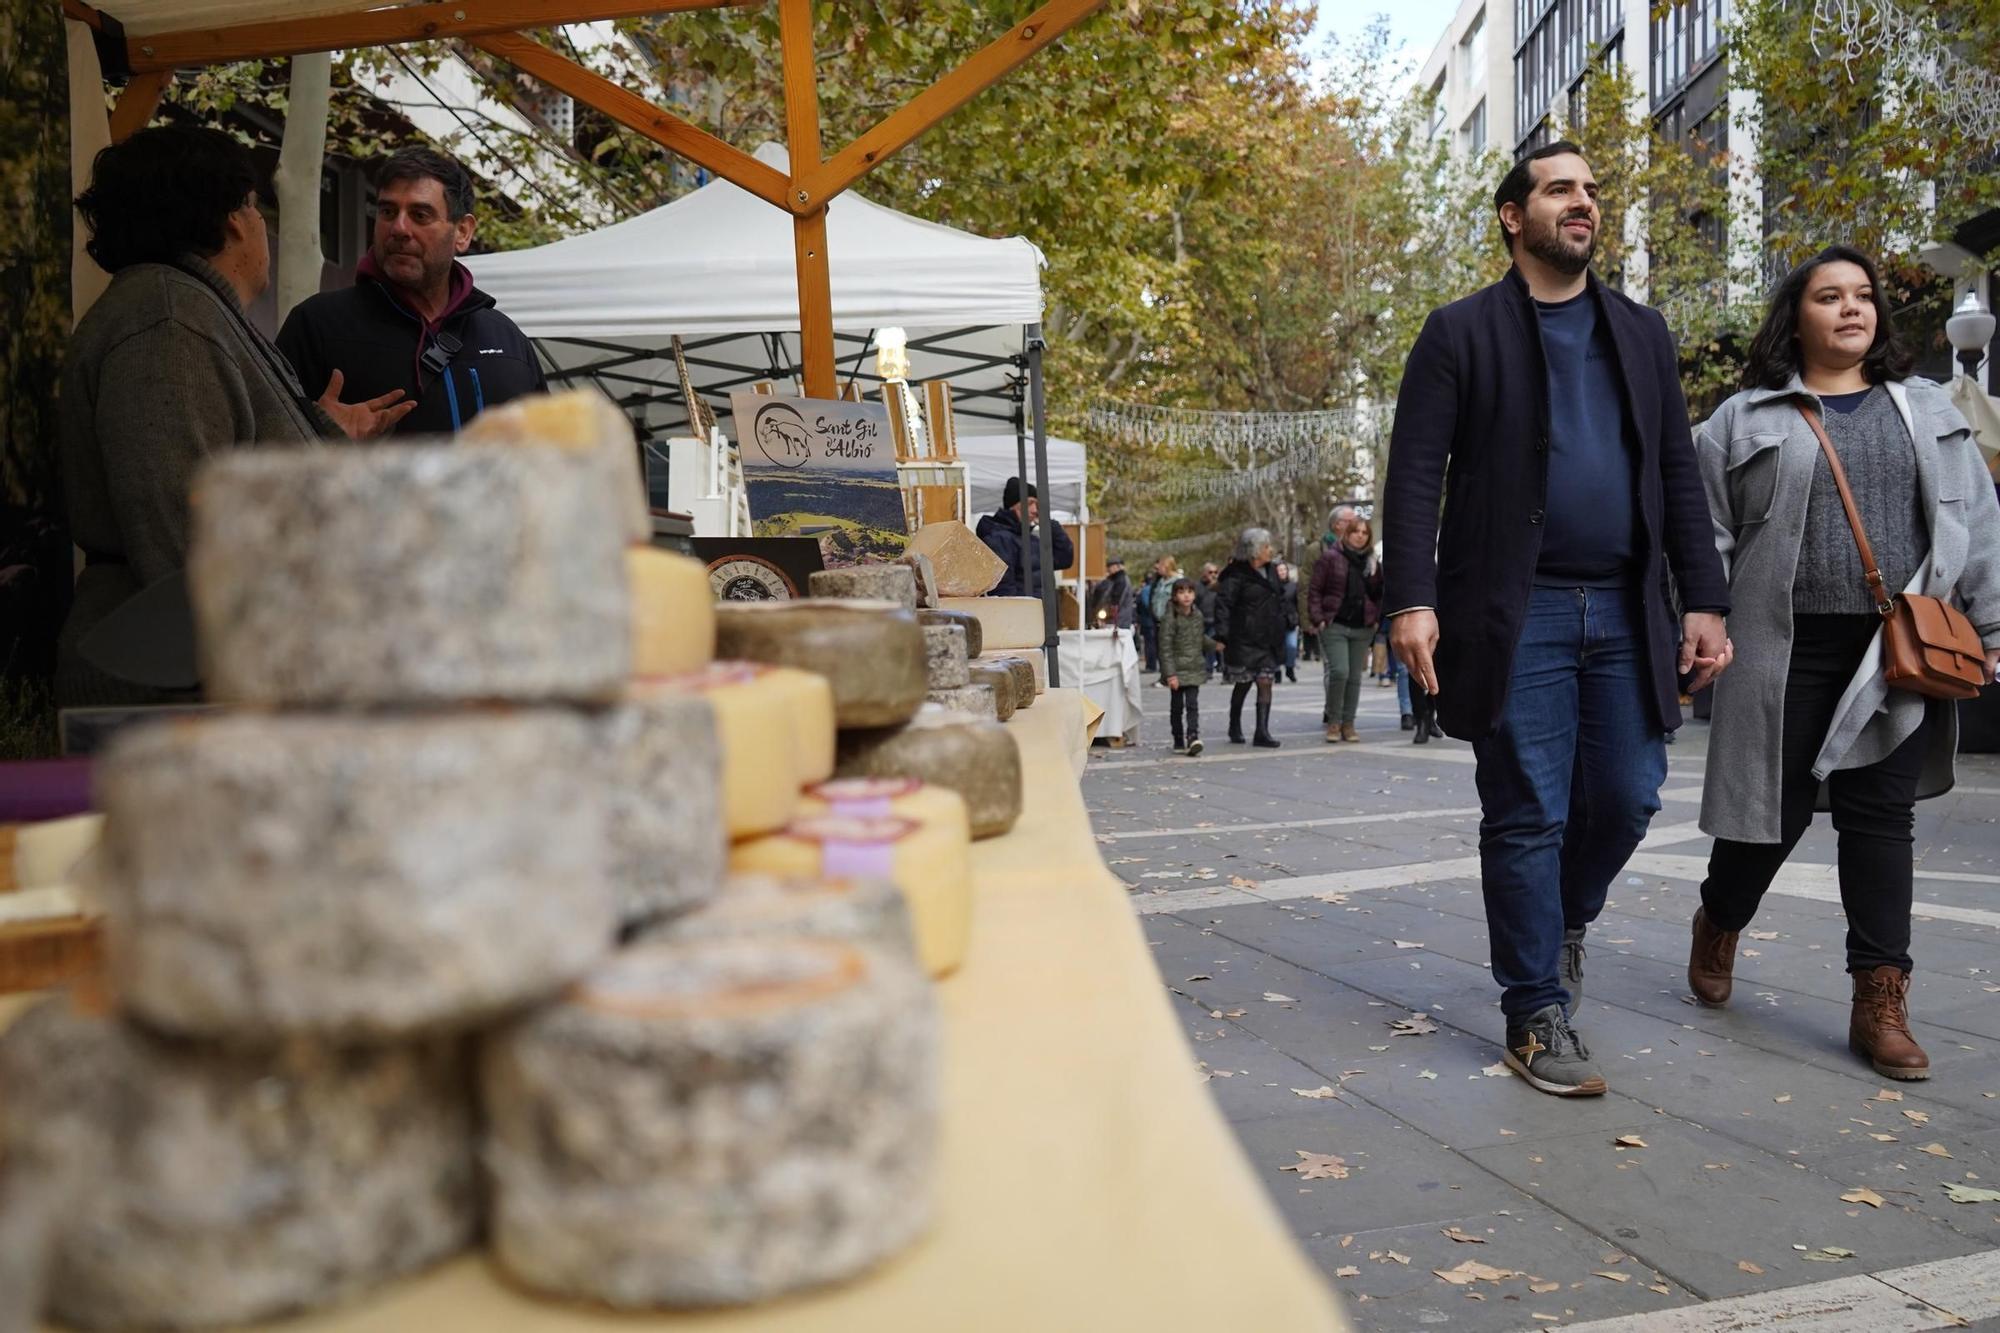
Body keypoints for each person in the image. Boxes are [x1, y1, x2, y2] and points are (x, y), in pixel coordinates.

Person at [1382, 141, 1732, 1097]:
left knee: (1627, 796)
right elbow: (1415, 475)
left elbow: (1676, 474)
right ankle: (1535, 1009)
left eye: (1590, 191)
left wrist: (1704, 596)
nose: (1583, 203)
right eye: (1560, 190)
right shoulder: (1460, 333)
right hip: (1514, 610)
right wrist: (1411, 597)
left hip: (1629, 606)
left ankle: (1563, 918)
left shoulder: (1642, 331)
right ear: (1514, 215)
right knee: (1528, 808)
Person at [1689, 245, 2000, 1081]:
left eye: (1862, 296)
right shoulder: (1742, 418)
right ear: (1797, 315)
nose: (1851, 309)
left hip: (1895, 648)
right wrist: (1701, 616)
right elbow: (1705, 530)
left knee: (1879, 820)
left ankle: (1880, 997)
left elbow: (1977, 520)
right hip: (1781, 648)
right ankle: (1720, 916)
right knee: (1771, 815)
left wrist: (1994, 624)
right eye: (1830, 296)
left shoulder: (1927, 407)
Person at [56, 125, 411, 706]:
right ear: (232, 222)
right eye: (255, 205)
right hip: (175, 688)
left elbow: (227, 475)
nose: (262, 224)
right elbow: (181, 532)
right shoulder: (166, 320)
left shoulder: (190, 311)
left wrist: (312, 436)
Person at [278, 147, 545, 435]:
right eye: (387, 212)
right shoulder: (317, 326)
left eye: (420, 215)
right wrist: (322, 437)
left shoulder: (508, 340)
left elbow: (553, 456)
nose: (399, 228)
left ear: (463, 232)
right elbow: (260, 449)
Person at [1309, 515, 1383, 743]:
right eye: (1355, 532)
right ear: (1347, 534)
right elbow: (1314, 590)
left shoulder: (1372, 561)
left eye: (1364, 533)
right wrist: (1318, 618)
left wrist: (1376, 618)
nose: (1360, 536)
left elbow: (1379, 593)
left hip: (1362, 627)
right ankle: (1334, 721)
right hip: (1335, 624)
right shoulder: (1331, 557)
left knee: (1354, 677)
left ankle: (1348, 724)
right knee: (1339, 671)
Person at [1212, 528, 1287, 749]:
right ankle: (1234, 724)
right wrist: (1222, 635)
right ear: (1254, 551)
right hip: (1242, 638)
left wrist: (1287, 617)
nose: (1270, 550)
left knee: (1265, 681)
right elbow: (1223, 605)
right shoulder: (1235, 575)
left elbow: (1279, 598)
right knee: (1243, 683)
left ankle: (1262, 731)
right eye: (1266, 547)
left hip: (1268, 638)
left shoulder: (1272, 571)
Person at [977, 477, 1074, 599]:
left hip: (1039, 613)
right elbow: (1004, 590)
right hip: (1025, 614)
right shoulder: (1000, 539)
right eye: (1029, 503)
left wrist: (1050, 525)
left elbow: (1064, 559)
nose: (1035, 510)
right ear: (1013, 505)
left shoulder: (1031, 540)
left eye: (1036, 504)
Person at [1159, 577, 1211, 756]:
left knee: (1192, 704)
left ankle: (1193, 736)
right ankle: (1178, 738)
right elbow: (1165, 648)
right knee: (1176, 707)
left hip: (1194, 667)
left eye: (1189, 592)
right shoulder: (1170, 618)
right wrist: (1170, 674)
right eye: (1181, 592)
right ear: (1174, 596)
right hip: (1177, 669)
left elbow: (1200, 638)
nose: (1186, 596)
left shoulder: (1197, 615)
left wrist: (1215, 645)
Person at [1089, 555, 1136, 630]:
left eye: (1110, 566)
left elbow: (1116, 601)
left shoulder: (1120, 581)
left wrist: (1106, 614)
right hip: (1116, 620)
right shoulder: (1114, 580)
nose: (1108, 569)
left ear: (1117, 566)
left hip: (1118, 621)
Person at [1275, 560, 1301, 683]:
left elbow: (1298, 603)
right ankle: (1276, 671)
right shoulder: (1272, 586)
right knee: (1275, 647)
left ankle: (1289, 667)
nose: (1282, 572)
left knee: (1291, 646)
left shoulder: (1293, 586)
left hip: (1290, 621)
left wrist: (1298, 619)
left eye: (1284, 570)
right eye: (1280, 570)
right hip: (1275, 621)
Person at [1137, 557, 1165, 673]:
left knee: (1150, 644)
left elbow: (1147, 604)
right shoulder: (1154, 587)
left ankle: (1151, 665)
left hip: (1149, 619)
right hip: (1152, 619)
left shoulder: (1146, 590)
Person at [1195, 563, 1223, 673]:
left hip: (1215, 620)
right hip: (1201, 619)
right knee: (1201, 645)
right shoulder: (1198, 586)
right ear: (1204, 573)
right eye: (1210, 572)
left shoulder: (1220, 586)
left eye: (1216, 572)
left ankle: (1209, 668)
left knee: (1211, 644)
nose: (1213, 575)